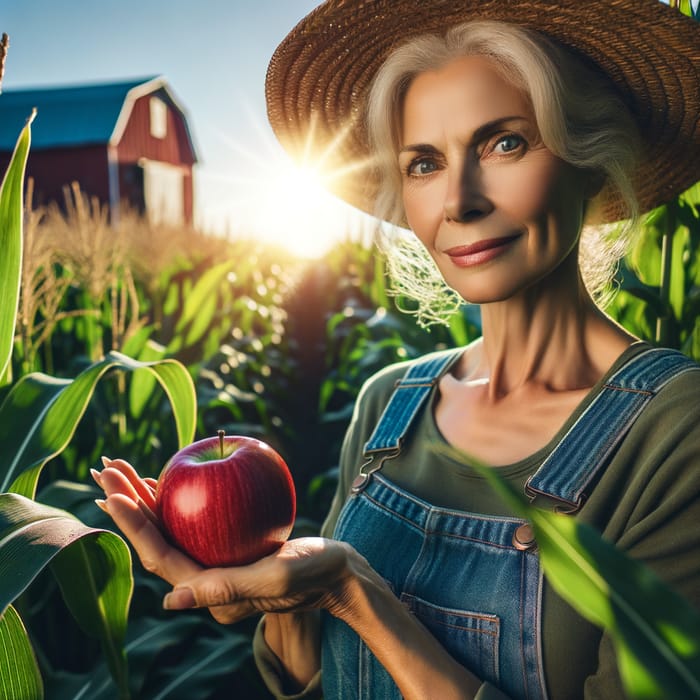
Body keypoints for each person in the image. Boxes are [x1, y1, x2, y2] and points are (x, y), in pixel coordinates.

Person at [92, 1, 700, 698]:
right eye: (424, 163)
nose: (458, 201)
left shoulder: (677, 434)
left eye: (506, 143)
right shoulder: (391, 404)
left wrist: (355, 595)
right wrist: (287, 602)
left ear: (589, 157)